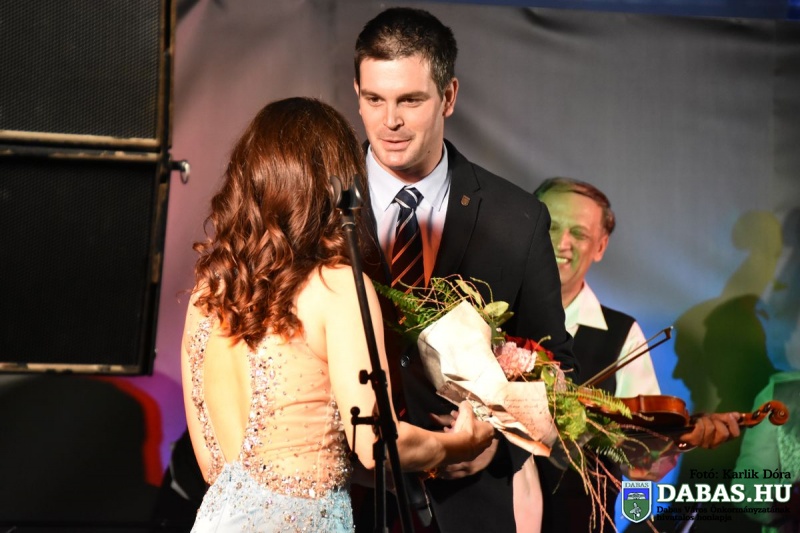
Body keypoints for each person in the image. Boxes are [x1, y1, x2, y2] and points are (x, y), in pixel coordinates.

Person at [179, 97, 494, 532]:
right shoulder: (336, 286)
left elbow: (215, 466)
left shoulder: (205, 296)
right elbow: (375, 443)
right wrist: (461, 444)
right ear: (335, 184)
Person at [352, 8, 577, 533]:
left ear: (449, 96)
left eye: (410, 100)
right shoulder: (317, 204)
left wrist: (496, 445)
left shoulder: (516, 217)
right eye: (374, 99)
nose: (390, 121)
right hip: (348, 501)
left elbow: (557, 369)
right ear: (357, 94)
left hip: (468, 508)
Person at [534, 177, 743, 532]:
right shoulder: (487, 311)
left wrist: (637, 514)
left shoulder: (623, 335)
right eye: (551, 226)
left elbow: (643, 461)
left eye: (579, 233)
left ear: (600, 246)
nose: (562, 242)